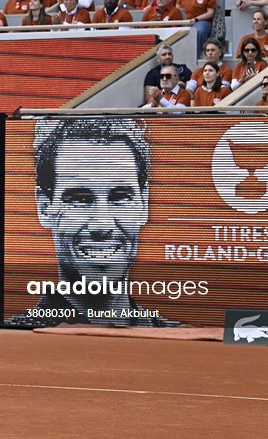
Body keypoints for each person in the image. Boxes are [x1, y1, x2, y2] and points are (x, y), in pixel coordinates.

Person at [31, 117, 174, 326]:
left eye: (120, 197)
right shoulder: (15, 336)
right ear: (44, 208)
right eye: (80, 200)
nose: (102, 225)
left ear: (144, 203)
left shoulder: (177, 335)